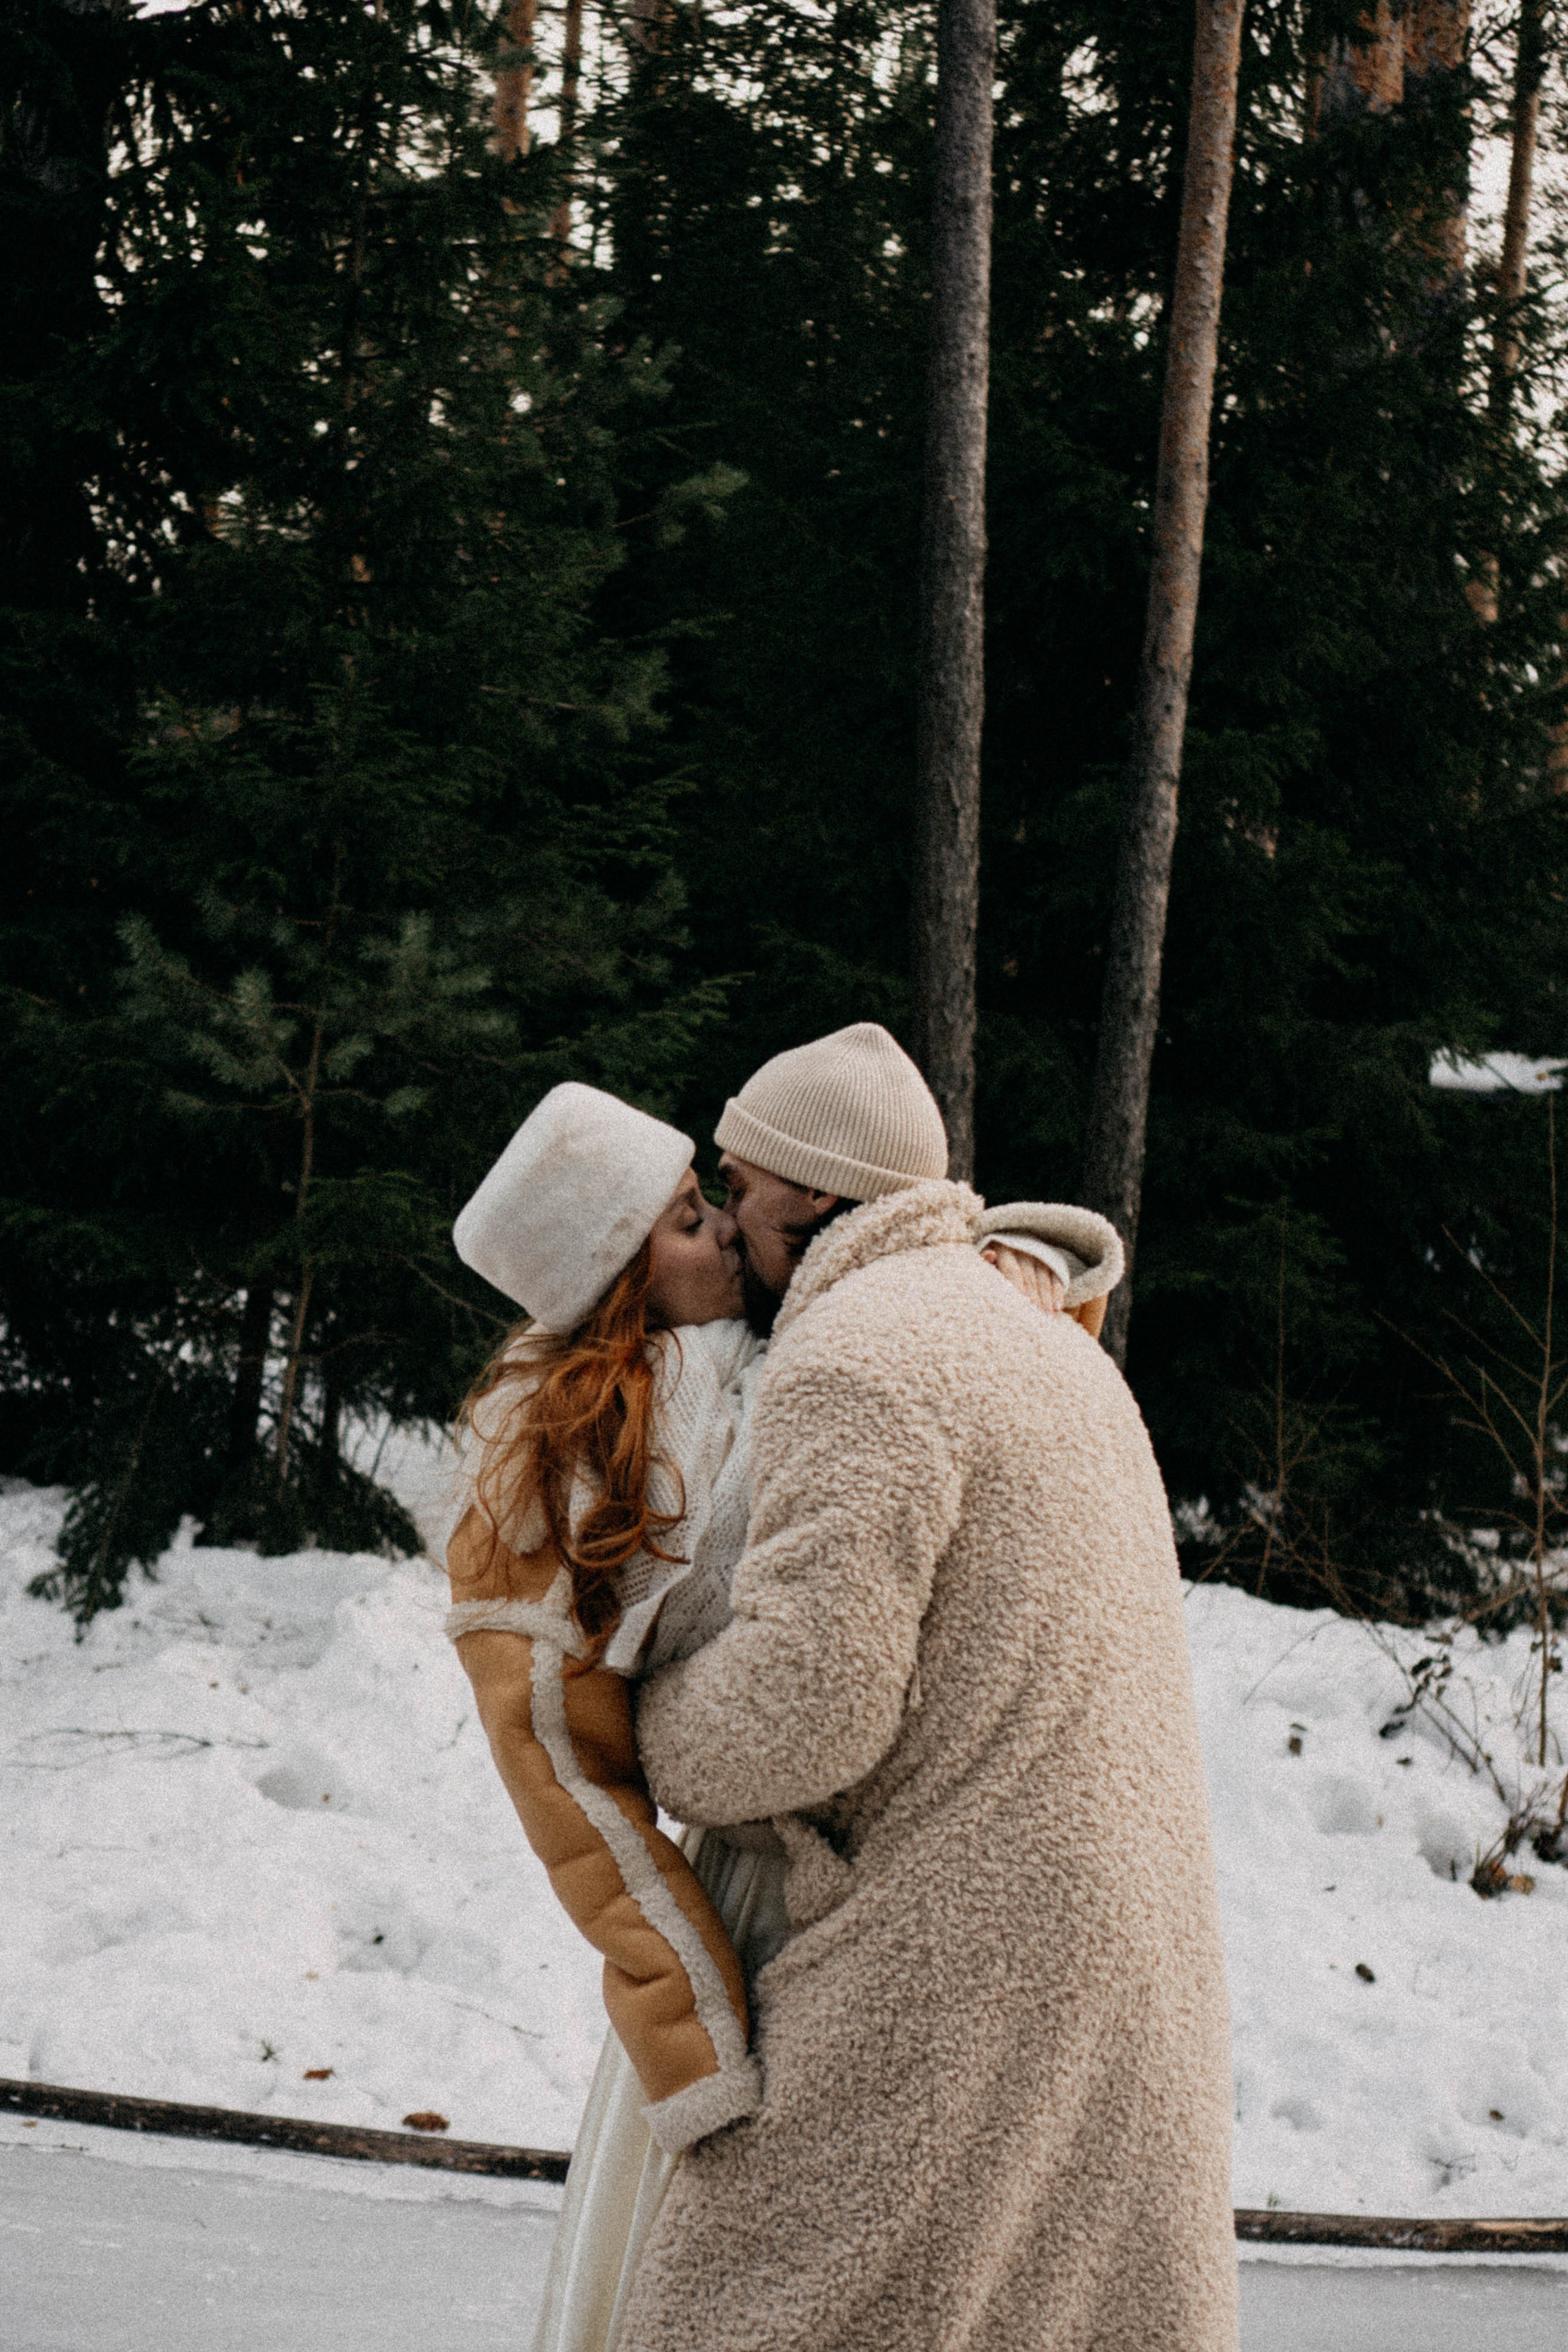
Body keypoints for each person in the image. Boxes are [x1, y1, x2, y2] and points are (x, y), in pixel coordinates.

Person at [441, 1050, 1124, 2352]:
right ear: (615, 1270)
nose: (724, 1226)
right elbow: (566, 1782)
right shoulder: (563, 1473)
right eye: (691, 1216)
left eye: (719, 1196)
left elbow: (942, 1274)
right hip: (749, 1887)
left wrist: (1023, 1256)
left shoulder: (794, 1339)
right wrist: (685, 2031)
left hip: (856, 1858)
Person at [616, 1026, 1240, 2352]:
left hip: (953, 1943)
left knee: (758, 2303)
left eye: (741, 1185)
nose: (728, 1219)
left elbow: (807, 1706)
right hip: (1110, 1934)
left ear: (818, 1199)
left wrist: (643, 1722)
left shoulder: (855, 1356)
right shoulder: (1046, 1342)